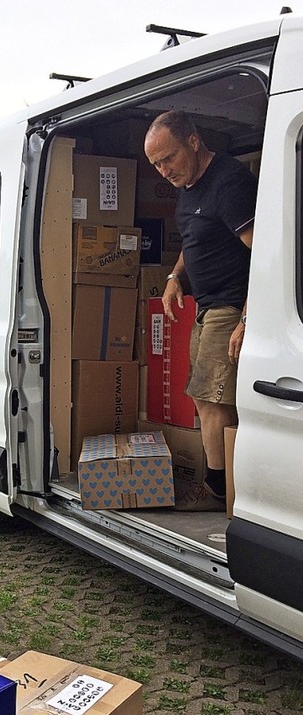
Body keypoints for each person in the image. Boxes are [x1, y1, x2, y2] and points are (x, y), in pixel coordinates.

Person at [144, 111, 257, 511]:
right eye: (156, 164)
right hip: (206, 307)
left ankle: (217, 491)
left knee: (214, 402)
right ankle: (221, 485)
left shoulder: (228, 183)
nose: (163, 171)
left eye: (168, 158)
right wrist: (175, 276)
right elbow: (195, 238)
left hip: (229, 306)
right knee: (205, 399)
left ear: (193, 141)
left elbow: (264, 255)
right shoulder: (188, 186)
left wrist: (248, 317)